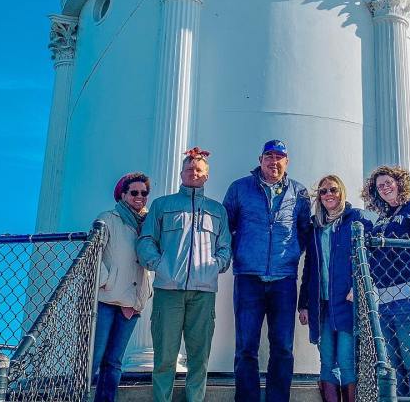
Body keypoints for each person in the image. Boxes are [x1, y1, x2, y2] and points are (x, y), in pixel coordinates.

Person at [136, 148, 232, 402]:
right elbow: (146, 240)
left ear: (206, 176)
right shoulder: (162, 205)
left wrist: (215, 265)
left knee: (199, 358)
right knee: (165, 357)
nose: (194, 173)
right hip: (169, 292)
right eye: (189, 169)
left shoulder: (217, 210)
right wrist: (159, 264)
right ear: (181, 173)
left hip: (204, 293)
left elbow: (225, 247)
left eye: (199, 169)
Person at [222, 139, 312, 402]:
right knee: (246, 347)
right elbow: (227, 227)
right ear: (260, 159)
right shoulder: (239, 188)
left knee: (283, 347)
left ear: (287, 161)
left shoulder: (299, 192)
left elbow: (304, 230)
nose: (274, 162)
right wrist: (240, 253)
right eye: (269, 156)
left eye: (279, 157)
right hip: (248, 277)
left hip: (284, 279)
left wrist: (292, 252)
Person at [361, 165, 410, 398]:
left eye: (388, 182)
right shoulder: (382, 219)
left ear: (399, 183)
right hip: (385, 300)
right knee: (395, 367)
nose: (384, 188)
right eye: (379, 186)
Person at [298, 175, 366, 402]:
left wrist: (358, 286)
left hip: (346, 303)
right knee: (327, 361)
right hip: (322, 305)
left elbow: (370, 256)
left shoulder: (355, 219)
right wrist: (304, 304)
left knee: (346, 361)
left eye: (333, 190)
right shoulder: (315, 227)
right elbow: (309, 268)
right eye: (323, 191)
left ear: (342, 192)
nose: (328, 194)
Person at [92, 172, 153, 402]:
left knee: (114, 361)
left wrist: (146, 292)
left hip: (131, 301)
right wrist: (105, 281)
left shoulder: (148, 224)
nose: (140, 197)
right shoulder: (108, 219)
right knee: (94, 359)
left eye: (144, 193)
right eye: (134, 192)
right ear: (123, 194)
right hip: (107, 299)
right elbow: (93, 255)